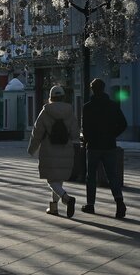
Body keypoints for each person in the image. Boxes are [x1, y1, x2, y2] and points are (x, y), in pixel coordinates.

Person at [27, 85, 80, 218]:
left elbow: (37, 132)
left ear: (51, 97)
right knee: (58, 178)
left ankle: (67, 198)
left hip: (49, 149)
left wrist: (32, 148)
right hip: (65, 148)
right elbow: (75, 132)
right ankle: (54, 207)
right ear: (62, 97)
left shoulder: (45, 112)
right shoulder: (70, 112)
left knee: (51, 180)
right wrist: (76, 147)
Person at [82, 78, 128, 218]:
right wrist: (112, 134)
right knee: (112, 175)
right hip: (109, 145)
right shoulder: (113, 106)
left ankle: (90, 205)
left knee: (91, 177)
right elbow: (123, 124)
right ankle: (119, 202)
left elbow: (85, 127)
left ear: (92, 89)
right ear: (103, 88)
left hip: (94, 146)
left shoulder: (87, 107)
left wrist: (88, 140)